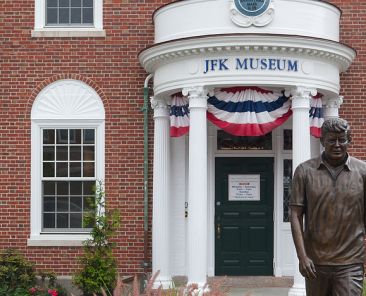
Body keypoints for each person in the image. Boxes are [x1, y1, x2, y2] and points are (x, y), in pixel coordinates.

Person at [290, 117, 366, 296]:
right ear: (322, 140)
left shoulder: (363, 172)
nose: (338, 144)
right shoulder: (304, 171)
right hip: (316, 263)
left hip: (350, 262)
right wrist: (302, 257)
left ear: (349, 140)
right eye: (332, 140)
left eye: (342, 139)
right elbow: (295, 214)